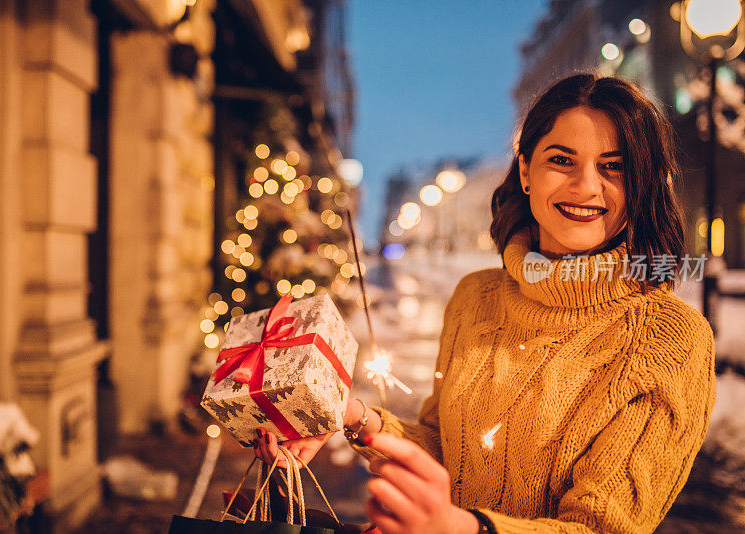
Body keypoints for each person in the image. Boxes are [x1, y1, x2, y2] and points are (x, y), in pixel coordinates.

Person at [254, 73, 716, 534]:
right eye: (561, 160)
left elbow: (601, 529)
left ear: (641, 185)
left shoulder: (669, 339)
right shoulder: (475, 297)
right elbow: (444, 448)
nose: (586, 186)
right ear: (525, 172)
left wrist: (459, 527)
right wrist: (355, 418)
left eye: (613, 166)